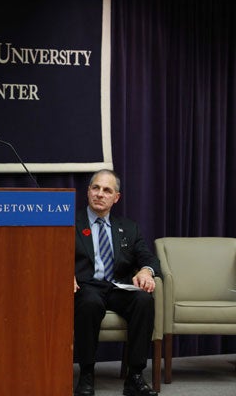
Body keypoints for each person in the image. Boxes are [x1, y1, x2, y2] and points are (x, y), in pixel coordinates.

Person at [74, 169, 160, 396]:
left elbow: (148, 257)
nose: (100, 194)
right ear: (88, 192)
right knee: (90, 303)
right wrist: (63, 274)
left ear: (116, 197)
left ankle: (135, 377)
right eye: (96, 188)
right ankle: (86, 375)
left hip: (117, 287)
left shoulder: (129, 228)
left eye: (107, 190)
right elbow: (52, 254)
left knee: (143, 299)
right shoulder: (71, 223)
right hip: (86, 286)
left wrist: (145, 271)